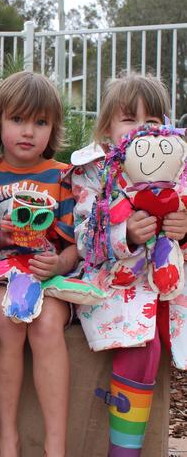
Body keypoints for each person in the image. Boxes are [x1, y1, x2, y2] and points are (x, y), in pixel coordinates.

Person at [71, 74, 187, 456]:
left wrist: (183, 229)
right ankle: (124, 452)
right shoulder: (96, 170)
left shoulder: (180, 167)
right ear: (107, 127)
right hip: (118, 286)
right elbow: (84, 238)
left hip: (172, 283)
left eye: (153, 120)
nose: (142, 129)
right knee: (143, 347)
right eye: (129, 119)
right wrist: (124, 233)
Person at [0, 71, 76, 457]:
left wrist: (57, 265)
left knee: (47, 325)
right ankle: (8, 439)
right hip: (4, 274)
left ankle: (56, 444)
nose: (28, 132)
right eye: (17, 119)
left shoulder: (63, 176)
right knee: (8, 320)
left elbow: (75, 248)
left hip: (49, 276)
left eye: (40, 122)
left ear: (52, 128)